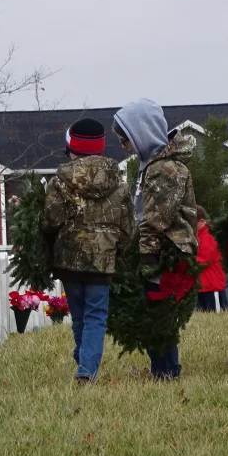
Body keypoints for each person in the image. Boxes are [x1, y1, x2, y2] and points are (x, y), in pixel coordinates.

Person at [113, 98, 199, 380]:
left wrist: (147, 257)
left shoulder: (165, 169)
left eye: (126, 139)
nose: (123, 146)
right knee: (152, 310)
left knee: (159, 311)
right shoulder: (150, 165)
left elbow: (156, 218)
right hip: (155, 248)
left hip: (165, 251)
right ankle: (161, 368)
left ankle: (167, 370)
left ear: (142, 133)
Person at [43, 118, 134, 383]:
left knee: (80, 316)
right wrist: (118, 249)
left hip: (69, 257)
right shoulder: (118, 182)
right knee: (96, 315)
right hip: (102, 258)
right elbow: (128, 226)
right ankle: (87, 367)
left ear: (72, 147)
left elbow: (51, 220)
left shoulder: (58, 182)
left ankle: (85, 360)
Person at [194, 205, 228, 312]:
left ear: (201, 220)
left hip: (212, 286)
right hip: (202, 287)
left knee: (218, 319)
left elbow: (204, 259)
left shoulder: (209, 235)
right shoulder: (198, 236)